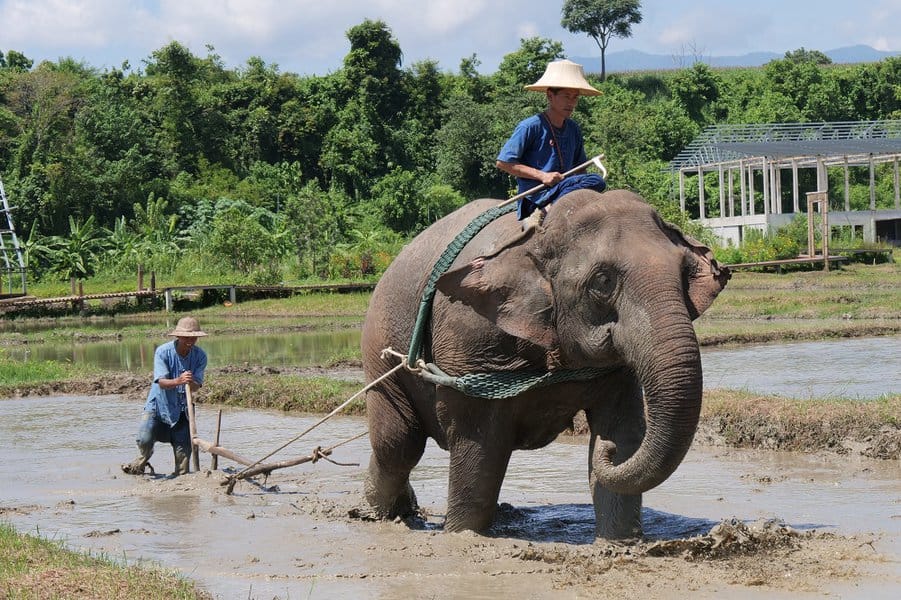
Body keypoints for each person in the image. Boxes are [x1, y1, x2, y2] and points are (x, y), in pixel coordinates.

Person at [496, 59, 607, 231]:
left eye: (575, 97)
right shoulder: (530, 127)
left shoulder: (573, 129)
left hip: (566, 191)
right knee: (595, 180)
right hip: (538, 196)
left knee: (595, 181)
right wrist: (542, 175)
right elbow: (503, 162)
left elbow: (580, 168)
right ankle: (542, 212)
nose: (571, 103)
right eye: (566, 96)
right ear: (550, 96)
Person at [122, 316, 208, 477]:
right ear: (178, 336)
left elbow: (197, 386)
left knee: (183, 450)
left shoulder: (200, 356)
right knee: (144, 439)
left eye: (193, 337)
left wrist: (191, 382)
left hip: (182, 409)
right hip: (158, 405)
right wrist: (179, 380)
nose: (190, 341)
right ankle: (141, 462)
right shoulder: (163, 352)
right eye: (186, 337)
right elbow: (161, 382)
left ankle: (181, 478)